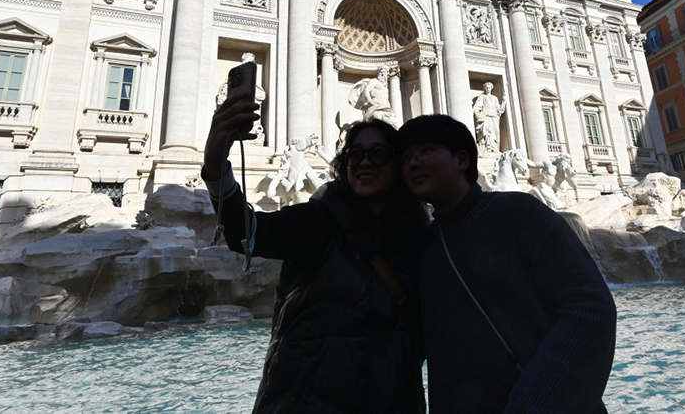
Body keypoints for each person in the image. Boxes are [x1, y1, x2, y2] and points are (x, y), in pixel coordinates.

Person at [203, 91, 427, 413]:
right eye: (355, 154)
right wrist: (215, 163)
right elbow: (243, 233)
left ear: (397, 163)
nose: (364, 162)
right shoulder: (319, 221)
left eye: (378, 154)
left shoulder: (418, 238)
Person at [398, 114, 617, 414]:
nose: (412, 163)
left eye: (425, 151)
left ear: (462, 160)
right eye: (406, 157)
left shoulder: (519, 212)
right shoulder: (422, 249)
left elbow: (591, 309)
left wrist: (533, 404)